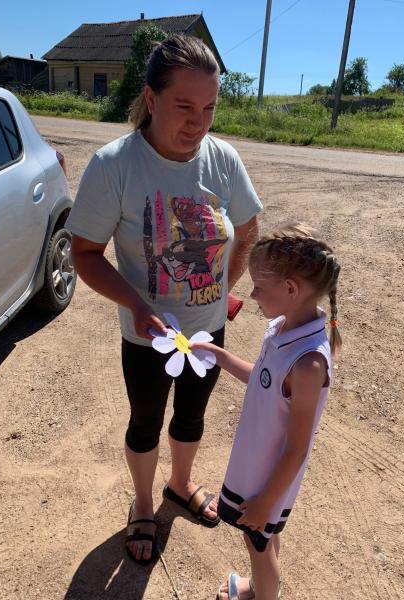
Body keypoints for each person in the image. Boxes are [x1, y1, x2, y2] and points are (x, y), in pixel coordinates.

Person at [66, 35, 262, 564]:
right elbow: (85, 253)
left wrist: (224, 290)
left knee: (193, 416)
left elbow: (248, 229)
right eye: (184, 106)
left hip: (208, 331)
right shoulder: (115, 165)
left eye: (209, 108)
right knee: (146, 420)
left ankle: (181, 483)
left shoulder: (223, 159)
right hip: (147, 335)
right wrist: (137, 305)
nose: (199, 122)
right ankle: (145, 503)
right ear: (151, 99)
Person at [191, 224, 341, 600]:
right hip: (254, 462)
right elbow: (263, 379)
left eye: (258, 286)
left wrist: (266, 500)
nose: (252, 294)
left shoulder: (308, 364)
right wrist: (221, 357)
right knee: (263, 538)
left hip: (269, 476)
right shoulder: (281, 327)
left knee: (257, 542)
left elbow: (297, 449)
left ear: (290, 289)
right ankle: (258, 587)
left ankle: (263, 593)